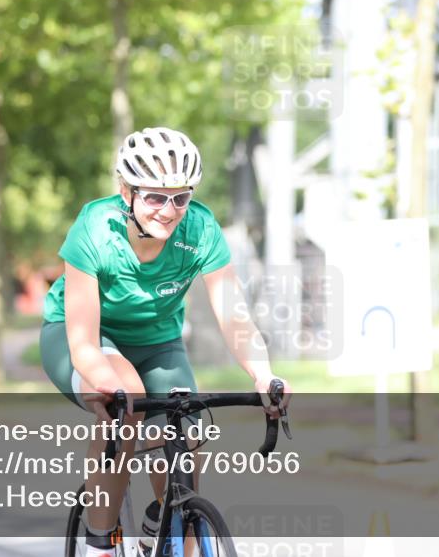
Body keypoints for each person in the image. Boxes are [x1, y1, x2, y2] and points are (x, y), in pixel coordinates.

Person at [39, 127, 292, 557]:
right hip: (81, 336)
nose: (169, 210)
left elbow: (234, 314)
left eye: (180, 197)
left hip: (158, 343)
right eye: (155, 197)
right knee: (126, 403)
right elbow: (82, 341)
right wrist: (107, 384)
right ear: (126, 191)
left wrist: (263, 373)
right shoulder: (94, 227)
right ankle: (101, 542)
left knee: (186, 429)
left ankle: (167, 517)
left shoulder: (200, 229)